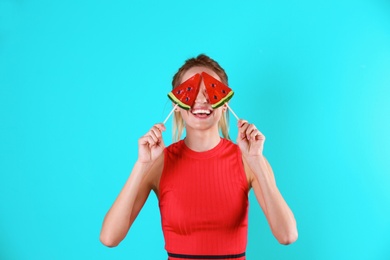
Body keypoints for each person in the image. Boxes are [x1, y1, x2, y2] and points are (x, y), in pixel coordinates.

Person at [100, 54, 298, 259]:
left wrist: (256, 160)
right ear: (177, 103)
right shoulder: (158, 162)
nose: (202, 100)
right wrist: (142, 165)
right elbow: (109, 237)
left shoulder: (249, 160)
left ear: (224, 103)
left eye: (211, 92)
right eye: (190, 92)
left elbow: (287, 235)